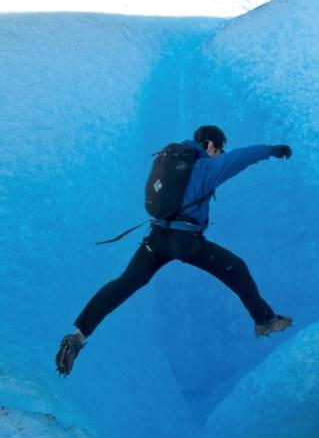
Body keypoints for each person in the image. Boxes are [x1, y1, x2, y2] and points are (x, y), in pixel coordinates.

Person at [56, 125, 293, 376]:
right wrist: (272, 150)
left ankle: (78, 336)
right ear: (210, 145)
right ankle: (265, 321)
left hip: (157, 237)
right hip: (185, 241)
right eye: (220, 151)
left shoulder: (169, 161)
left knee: (125, 283)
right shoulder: (205, 167)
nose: (220, 156)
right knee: (236, 268)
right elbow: (241, 157)